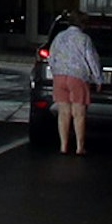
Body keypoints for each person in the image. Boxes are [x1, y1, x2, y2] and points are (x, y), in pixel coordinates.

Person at [45, 10, 102, 155]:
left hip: (59, 76)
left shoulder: (59, 37)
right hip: (78, 77)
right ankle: (79, 147)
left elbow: (51, 57)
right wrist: (98, 78)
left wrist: (55, 71)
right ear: (82, 24)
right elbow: (92, 59)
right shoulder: (84, 39)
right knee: (79, 113)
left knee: (63, 113)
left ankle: (63, 146)